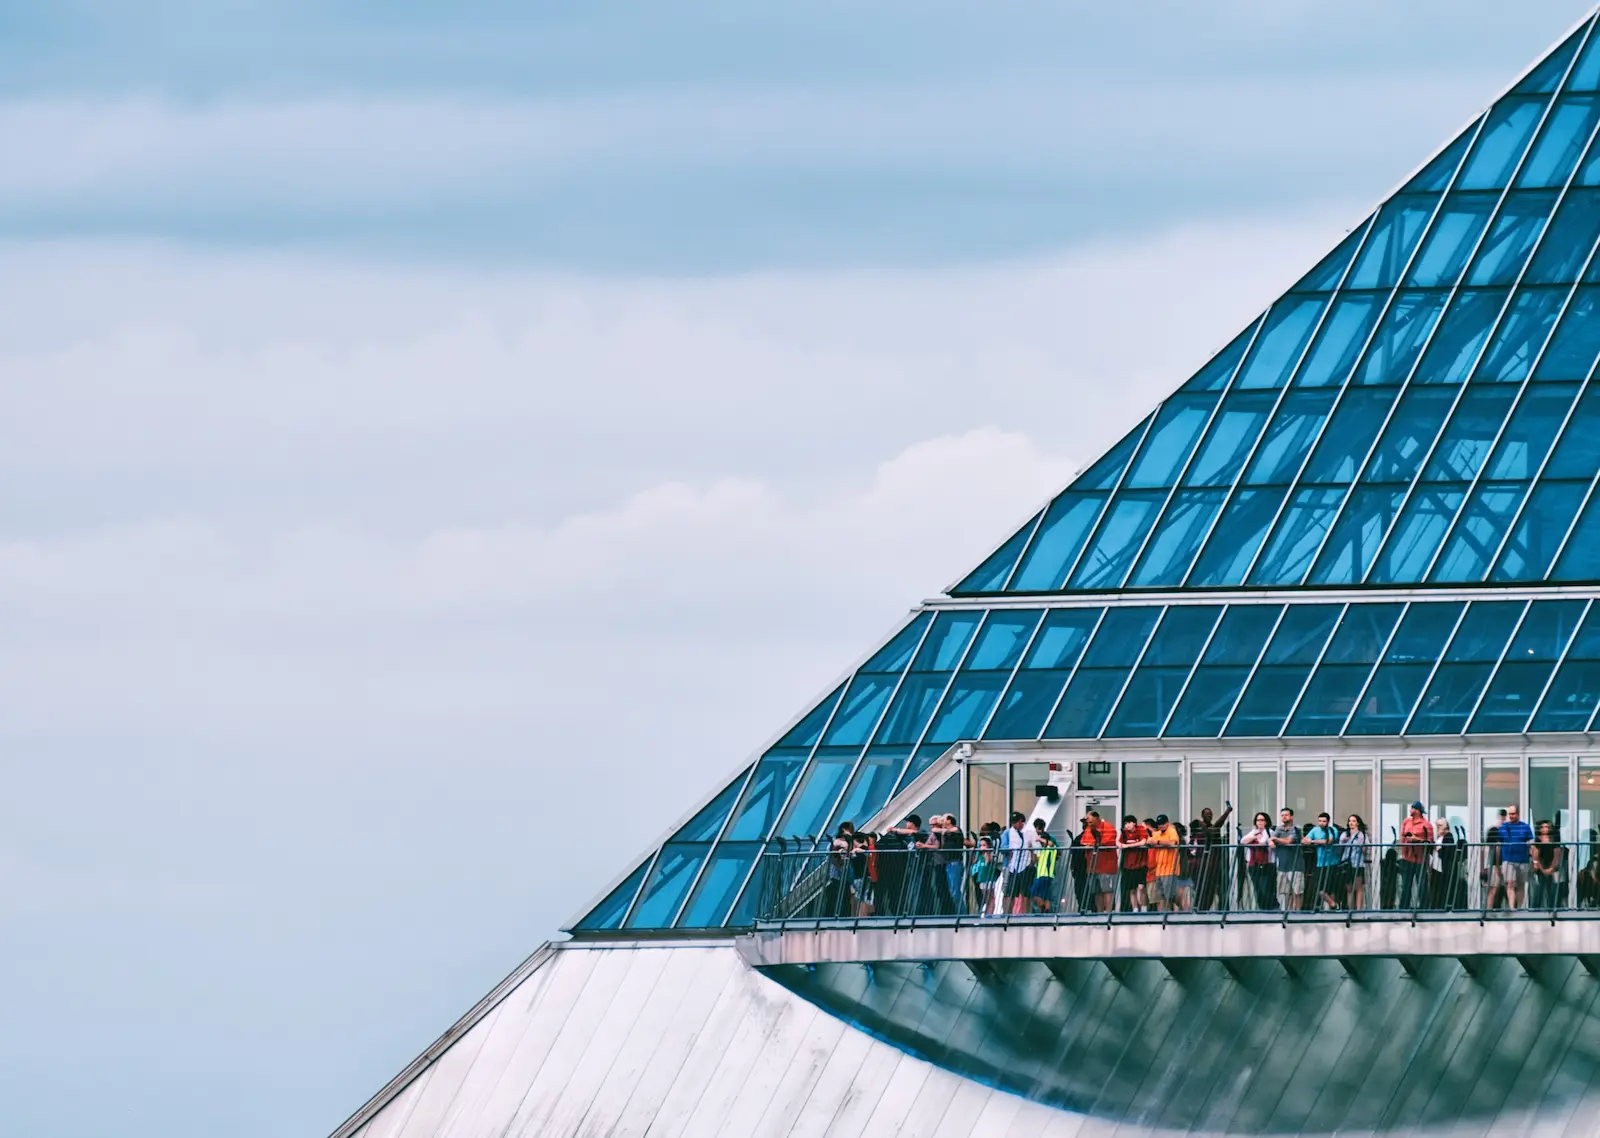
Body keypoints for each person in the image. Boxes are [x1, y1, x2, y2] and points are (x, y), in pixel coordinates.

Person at [1193, 802, 1233, 911]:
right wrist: (1227, 812)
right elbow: (1213, 831)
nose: (1209, 815)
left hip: (1215, 863)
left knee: (1216, 890)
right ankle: (1201, 910)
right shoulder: (1201, 827)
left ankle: (1220, 910)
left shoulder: (1211, 827)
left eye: (1210, 814)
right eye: (1207, 814)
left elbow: (1216, 828)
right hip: (1204, 864)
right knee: (1204, 890)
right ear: (1202, 815)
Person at [998, 811, 1036, 915]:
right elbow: (1002, 848)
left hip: (1025, 865)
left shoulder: (1027, 832)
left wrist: (1032, 859)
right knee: (1010, 892)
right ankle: (1007, 914)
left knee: (1025, 892)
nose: (1017, 824)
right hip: (1012, 866)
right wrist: (1010, 850)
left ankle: (1025, 914)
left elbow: (1032, 846)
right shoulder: (1007, 833)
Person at [1082, 809, 1119, 913]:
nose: (1089, 823)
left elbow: (1108, 842)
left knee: (1107, 890)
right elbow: (1084, 841)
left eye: (1090, 821)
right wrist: (1090, 845)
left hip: (1106, 865)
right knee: (1096, 891)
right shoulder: (1088, 829)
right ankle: (1099, 912)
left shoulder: (1108, 827)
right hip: (1092, 865)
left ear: (1097, 818)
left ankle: (1108, 912)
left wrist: (1093, 844)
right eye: (1088, 822)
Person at [1397, 802, 1433, 910]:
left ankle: (1424, 908)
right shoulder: (1406, 822)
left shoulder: (1426, 825)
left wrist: (1416, 839)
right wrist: (1403, 848)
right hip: (1407, 857)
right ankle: (1403, 908)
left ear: (1417, 810)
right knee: (1405, 885)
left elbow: (1430, 842)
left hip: (1420, 859)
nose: (1410, 810)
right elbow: (1402, 836)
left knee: (1422, 885)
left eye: (1413, 808)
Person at [1499, 805, 1534, 909]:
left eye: (1513, 814)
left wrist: (1534, 859)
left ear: (1518, 814)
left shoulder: (1525, 827)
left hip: (1523, 859)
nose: (1511, 816)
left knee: (1521, 884)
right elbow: (1498, 844)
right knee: (1510, 883)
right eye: (1509, 814)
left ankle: (1520, 907)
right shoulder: (1504, 827)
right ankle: (1512, 908)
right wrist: (1498, 864)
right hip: (1508, 859)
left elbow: (1531, 842)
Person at [1305, 812, 1341, 911]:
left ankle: (1332, 910)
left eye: (1324, 821)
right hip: (1320, 863)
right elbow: (1304, 840)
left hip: (1332, 863)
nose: (1321, 823)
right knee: (1319, 887)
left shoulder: (1332, 830)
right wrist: (1307, 840)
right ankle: (1333, 904)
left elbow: (1328, 841)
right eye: (1320, 821)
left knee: (1331, 887)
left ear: (1328, 822)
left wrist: (1312, 841)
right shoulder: (1315, 830)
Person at [1241, 812, 1276, 910]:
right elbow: (1243, 841)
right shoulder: (1254, 832)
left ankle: (1270, 908)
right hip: (1253, 864)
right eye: (1258, 820)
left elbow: (1262, 842)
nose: (1260, 822)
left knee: (1266, 888)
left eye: (1262, 820)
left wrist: (1255, 839)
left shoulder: (1270, 832)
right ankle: (1262, 909)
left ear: (1266, 822)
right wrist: (1254, 837)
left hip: (1267, 864)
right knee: (1257, 888)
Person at [1146, 814, 1181, 911]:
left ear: (1167, 823)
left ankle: (1175, 912)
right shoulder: (1157, 833)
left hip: (1170, 869)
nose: (1161, 826)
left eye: (1162, 824)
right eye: (1159, 824)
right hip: (1159, 870)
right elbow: (1151, 841)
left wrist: (1157, 842)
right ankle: (1162, 915)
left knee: (1170, 896)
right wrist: (1151, 842)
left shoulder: (1171, 830)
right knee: (1160, 896)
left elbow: (1172, 843)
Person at [1272, 808, 1303, 913]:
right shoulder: (1278, 829)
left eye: (1286, 815)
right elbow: (1270, 840)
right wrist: (1271, 841)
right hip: (1283, 865)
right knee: (1286, 891)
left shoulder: (1296, 829)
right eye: (1282, 815)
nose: (1284, 817)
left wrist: (1275, 840)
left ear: (1291, 816)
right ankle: (1289, 912)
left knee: (1297, 891)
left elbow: (1288, 841)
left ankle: (1298, 912)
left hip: (1296, 865)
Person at [1119, 814, 1149, 912]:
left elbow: (1143, 842)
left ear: (1134, 823)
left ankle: (1144, 907)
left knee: (1141, 887)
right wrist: (1122, 845)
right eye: (1125, 823)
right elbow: (1118, 843)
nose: (1127, 825)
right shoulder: (1124, 833)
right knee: (1131, 889)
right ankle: (1135, 908)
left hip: (1140, 864)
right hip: (1128, 865)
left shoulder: (1141, 829)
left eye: (1128, 823)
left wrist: (1129, 846)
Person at [1532, 821, 1564, 910]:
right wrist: (1542, 869)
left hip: (1552, 868)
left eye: (1547, 827)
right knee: (1539, 889)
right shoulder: (1537, 840)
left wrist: (1551, 868)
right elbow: (1535, 856)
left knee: (1552, 890)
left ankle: (1552, 908)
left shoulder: (1554, 840)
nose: (1544, 829)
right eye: (1542, 827)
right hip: (1540, 868)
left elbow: (1557, 854)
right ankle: (1536, 909)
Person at [940, 814, 967, 914]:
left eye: (944, 820)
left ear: (950, 820)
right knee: (952, 892)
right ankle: (959, 913)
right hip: (948, 863)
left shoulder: (956, 830)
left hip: (955, 863)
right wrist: (943, 834)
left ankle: (963, 915)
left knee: (955, 892)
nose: (942, 821)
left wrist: (944, 830)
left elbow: (955, 830)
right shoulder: (946, 834)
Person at [1341, 814, 1369, 911]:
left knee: (1358, 888)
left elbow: (1365, 850)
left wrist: (1362, 844)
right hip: (1347, 863)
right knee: (1349, 889)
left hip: (1358, 863)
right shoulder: (1345, 834)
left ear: (1357, 823)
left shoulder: (1361, 835)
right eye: (1350, 821)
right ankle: (1350, 909)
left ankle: (1358, 910)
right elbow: (1340, 847)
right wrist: (1344, 841)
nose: (1351, 823)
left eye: (1353, 821)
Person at [1031, 820, 1058, 913]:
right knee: (1046, 894)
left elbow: (1051, 844)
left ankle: (1042, 907)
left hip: (1045, 874)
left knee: (1033, 892)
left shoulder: (1051, 848)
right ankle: (1046, 910)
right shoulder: (1043, 850)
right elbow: (1035, 860)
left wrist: (1039, 838)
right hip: (1043, 875)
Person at [1483, 809, 1507, 910]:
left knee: (1501, 889)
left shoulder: (1505, 830)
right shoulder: (1494, 830)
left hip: (1501, 864)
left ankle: (1495, 909)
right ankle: (1489, 910)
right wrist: (1497, 867)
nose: (1503, 820)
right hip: (1496, 865)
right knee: (1494, 889)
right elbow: (1496, 849)